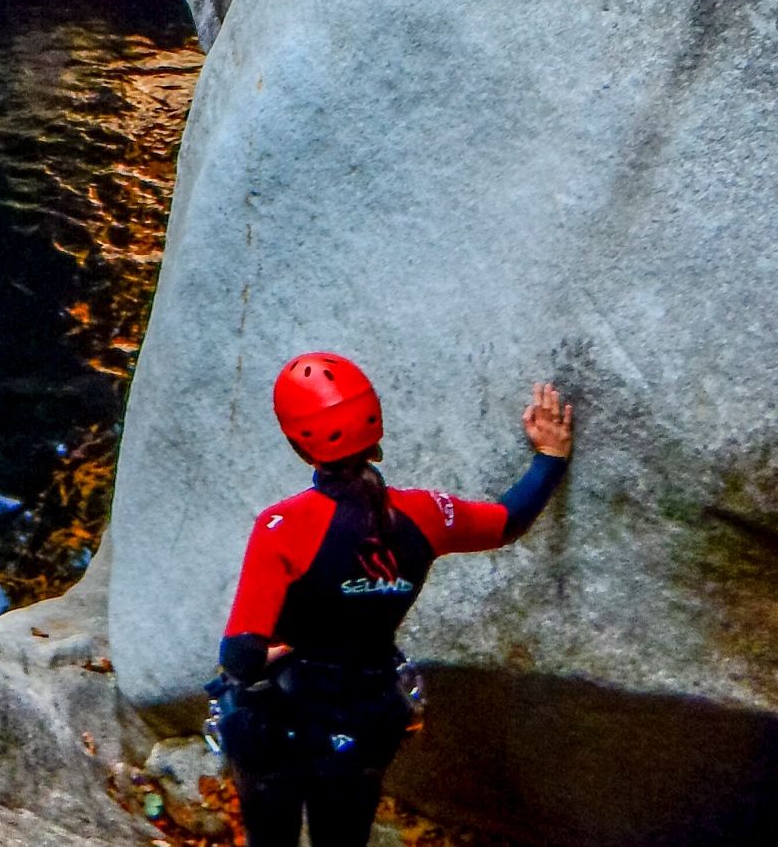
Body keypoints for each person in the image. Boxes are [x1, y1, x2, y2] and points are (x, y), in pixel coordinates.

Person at [210, 354, 573, 847]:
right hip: (366, 718)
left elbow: (241, 655)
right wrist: (550, 457)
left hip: (279, 725)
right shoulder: (426, 515)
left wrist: (284, 652)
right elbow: (509, 520)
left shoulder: (283, 528)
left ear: (299, 444)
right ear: (374, 426)